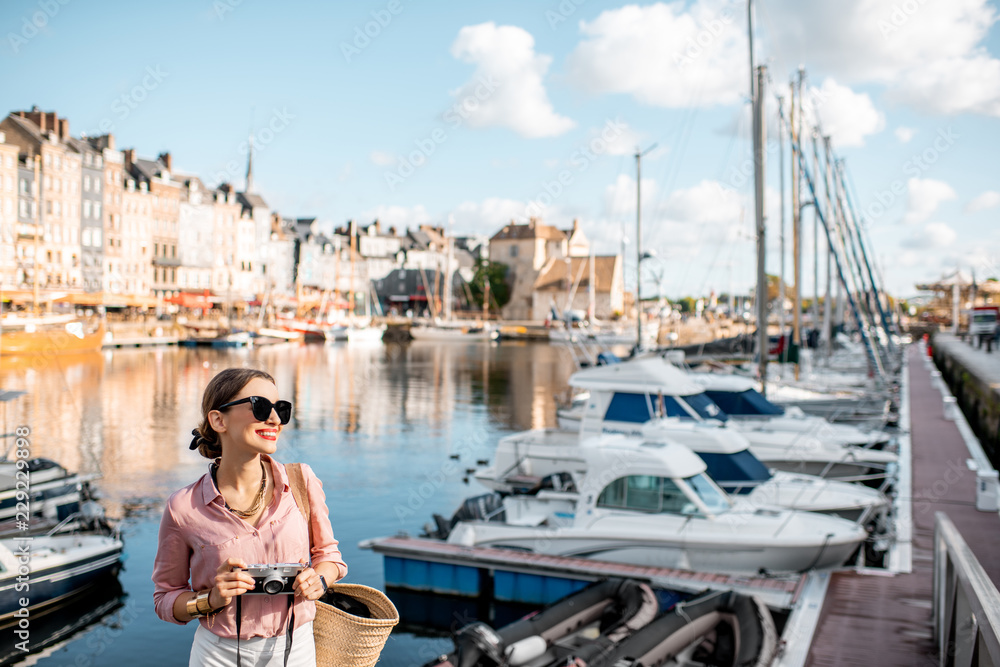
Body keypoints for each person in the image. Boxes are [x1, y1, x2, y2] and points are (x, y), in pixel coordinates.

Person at [153, 368, 347, 667]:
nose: (275, 420)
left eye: (280, 409)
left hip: (296, 650)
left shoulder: (301, 481)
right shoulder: (183, 507)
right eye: (260, 407)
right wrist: (211, 599)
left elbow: (330, 557)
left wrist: (319, 579)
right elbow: (165, 600)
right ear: (219, 420)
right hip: (218, 656)